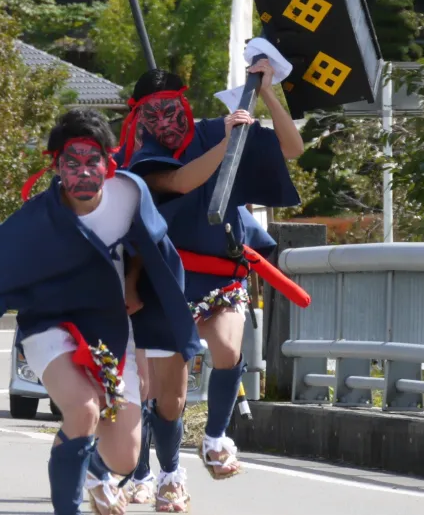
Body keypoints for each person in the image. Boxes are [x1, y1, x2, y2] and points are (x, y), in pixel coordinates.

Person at [0, 108, 198, 515]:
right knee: (82, 409)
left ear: (109, 161)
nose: (82, 172)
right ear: (56, 166)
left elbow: (155, 256)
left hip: (109, 325)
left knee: (126, 458)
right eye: (71, 162)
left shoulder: (130, 194)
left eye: (91, 160)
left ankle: (93, 467)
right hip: (49, 324)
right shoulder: (31, 224)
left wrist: (146, 327)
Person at [121, 57, 302, 510]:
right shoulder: (140, 155)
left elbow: (292, 147)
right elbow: (182, 182)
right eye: (153, 112)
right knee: (164, 396)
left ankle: (216, 439)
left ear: (184, 103)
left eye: (172, 108)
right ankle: (158, 473)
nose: (164, 121)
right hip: (166, 280)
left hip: (221, 273)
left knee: (228, 351)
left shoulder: (215, 126)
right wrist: (228, 143)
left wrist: (263, 94)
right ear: (139, 115)